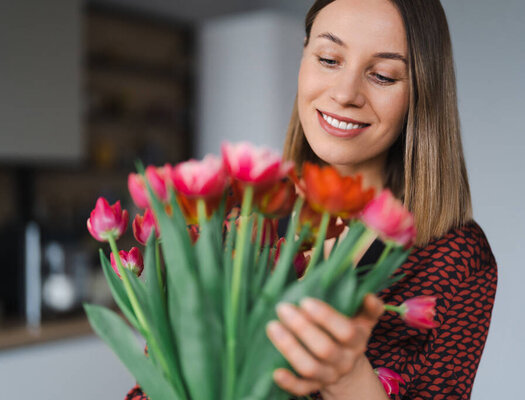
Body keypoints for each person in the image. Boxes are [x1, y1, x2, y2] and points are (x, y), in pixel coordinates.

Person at [126, 0, 497, 399]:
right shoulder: (233, 216)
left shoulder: (457, 257)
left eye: (383, 75)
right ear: (304, 58)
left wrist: (349, 377)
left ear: (423, 93)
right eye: (329, 58)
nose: (345, 93)